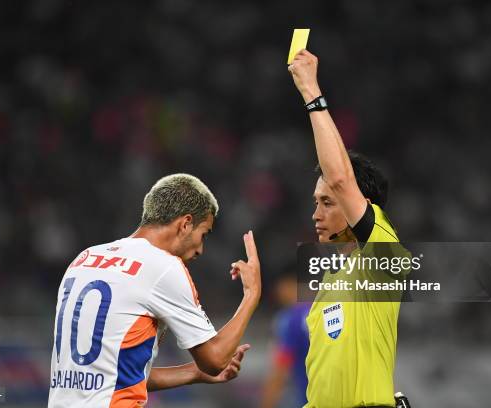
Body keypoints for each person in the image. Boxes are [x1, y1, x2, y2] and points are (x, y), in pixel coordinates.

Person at [48, 173, 262, 407]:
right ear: (185, 224)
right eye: (203, 234)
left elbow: (112, 374)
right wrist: (252, 294)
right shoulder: (163, 266)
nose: (201, 249)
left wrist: (195, 373)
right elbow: (216, 359)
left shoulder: (85, 259)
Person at [289, 50, 403, 407]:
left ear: (362, 205)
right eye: (315, 202)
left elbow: (340, 177)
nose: (315, 215)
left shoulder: (383, 252)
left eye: (327, 202)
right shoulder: (330, 284)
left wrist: (310, 91)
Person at [260, 271, 310, 408]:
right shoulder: (332, 308)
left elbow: (281, 367)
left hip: (310, 399)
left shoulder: (291, 318)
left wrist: (267, 404)